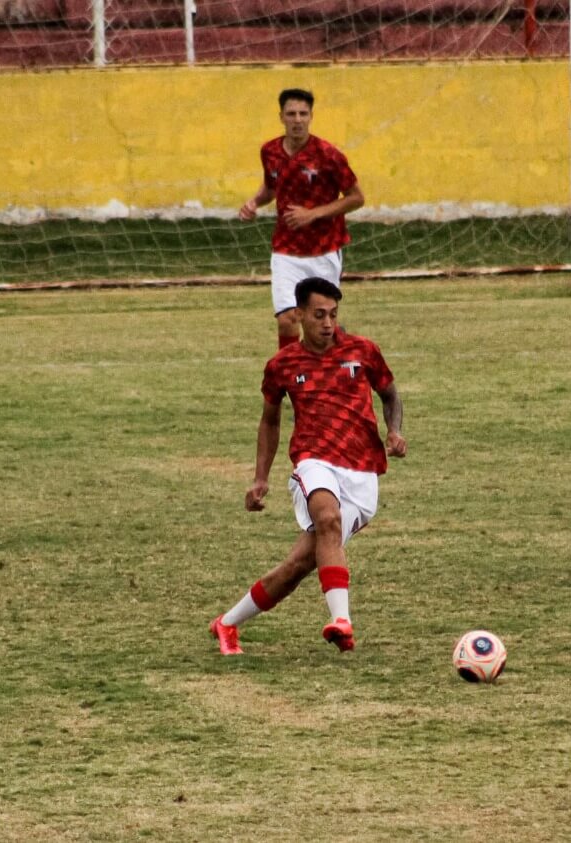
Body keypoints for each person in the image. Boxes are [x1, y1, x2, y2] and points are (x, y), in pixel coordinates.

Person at [210, 277, 406, 656]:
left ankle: (227, 623)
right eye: (319, 315)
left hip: (362, 472)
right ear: (299, 314)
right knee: (328, 517)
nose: (328, 323)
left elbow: (390, 393)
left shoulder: (364, 351)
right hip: (314, 460)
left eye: (333, 315)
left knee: (299, 564)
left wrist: (394, 430)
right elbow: (270, 420)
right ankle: (342, 621)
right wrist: (260, 478)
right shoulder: (283, 365)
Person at [239, 88, 365, 349]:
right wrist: (254, 202)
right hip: (286, 251)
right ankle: (289, 377)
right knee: (287, 319)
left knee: (321, 325)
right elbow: (272, 188)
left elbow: (356, 197)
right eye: (291, 114)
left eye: (303, 114)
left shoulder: (328, 155)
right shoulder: (270, 151)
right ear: (281, 117)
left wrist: (313, 214)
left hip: (324, 250)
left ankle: (345, 362)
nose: (297, 119)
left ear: (311, 116)